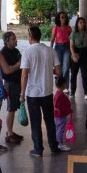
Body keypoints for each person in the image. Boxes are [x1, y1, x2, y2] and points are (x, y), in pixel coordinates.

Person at [21, 24, 62, 155]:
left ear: (31, 37)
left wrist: (22, 93)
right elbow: (58, 71)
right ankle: (54, 146)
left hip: (32, 93)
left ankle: (38, 149)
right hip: (47, 91)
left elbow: (24, 74)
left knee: (35, 122)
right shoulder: (51, 50)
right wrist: (47, 70)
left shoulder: (27, 52)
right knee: (50, 121)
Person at [0, 30, 25, 146]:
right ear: (7, 42)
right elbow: (6, 70)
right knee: (11, 108)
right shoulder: (3, 53)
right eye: (13, 39)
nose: (16, 40)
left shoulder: (16, 51)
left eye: (15, 38)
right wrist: (18, 65)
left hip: (17, 82)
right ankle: (9, 133)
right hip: (10, 83)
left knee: (13, 108)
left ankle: (11, 131)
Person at [69, 16, 87, 96]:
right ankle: (72, 92)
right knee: (74, 74)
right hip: (76, 52)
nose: (82, 24)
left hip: (85, 53)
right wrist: (73, 55)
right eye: (80, 22)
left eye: (83, 22)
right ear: (77, 24)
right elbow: (71, 46)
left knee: (85, 74)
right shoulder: (74, 33)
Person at [52, 74, 73, 149]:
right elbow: (61, 107)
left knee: (57, 129)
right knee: (60, 130)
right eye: (66, 83)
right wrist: (69, 110)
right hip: (60, 116)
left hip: (56, 116)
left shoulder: (57, 94)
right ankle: (59, 144)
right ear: (63, 84)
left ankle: (57, 142)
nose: (66, 84)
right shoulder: (61, 96)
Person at [51, 11, 73, 81]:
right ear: (59, 19)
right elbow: (52, 39)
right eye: (62, 17)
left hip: (67, 47)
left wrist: (72, 51)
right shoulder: (56, 28)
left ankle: (65, 84)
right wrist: (51, 50)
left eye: (65, 17)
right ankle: (60, 83)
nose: (64, 19)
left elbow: (71, 40)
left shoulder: (69, 28)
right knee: (59, 66)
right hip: (58, 47)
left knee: (66, 66)